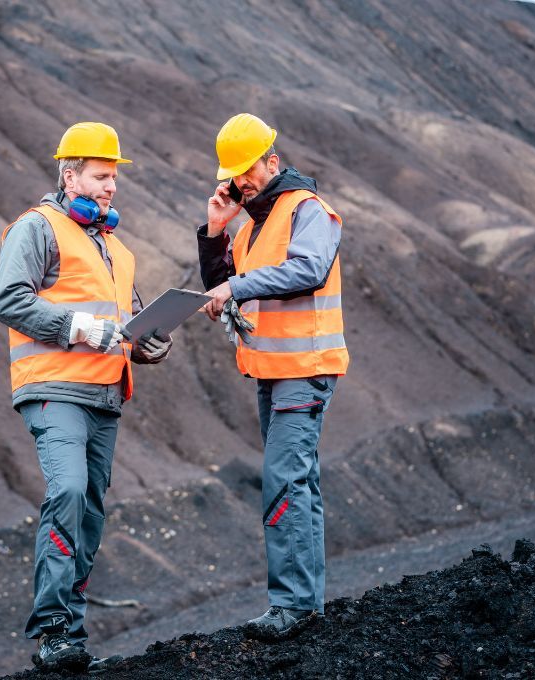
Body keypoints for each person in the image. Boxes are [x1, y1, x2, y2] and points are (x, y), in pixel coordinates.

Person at [0, 121, 171, 672]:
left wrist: (149, 344)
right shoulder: (36, 228)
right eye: (100, 176)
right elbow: (9, 300)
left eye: (114, 177)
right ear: (69, 175)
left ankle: (71, 632)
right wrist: (78, 327)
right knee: (67, 491)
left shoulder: (117, 249)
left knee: (90, 511)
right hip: (53, 388)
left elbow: (124, 325)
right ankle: (50, 631)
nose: (111, 186)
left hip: (104, 395)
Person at [195, 113, 348, 639]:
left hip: (305, 368)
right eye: (234, 175)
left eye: (248, 171)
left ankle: (292, 605)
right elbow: (224, 283)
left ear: (273, 161)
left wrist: (236, 290)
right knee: (299, 481)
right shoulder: (252, 226)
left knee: (284, 479)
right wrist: (216, 232)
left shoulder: (307, 210)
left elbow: (309, 270)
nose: (241, 182)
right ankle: (307, 605)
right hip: (271, 370)